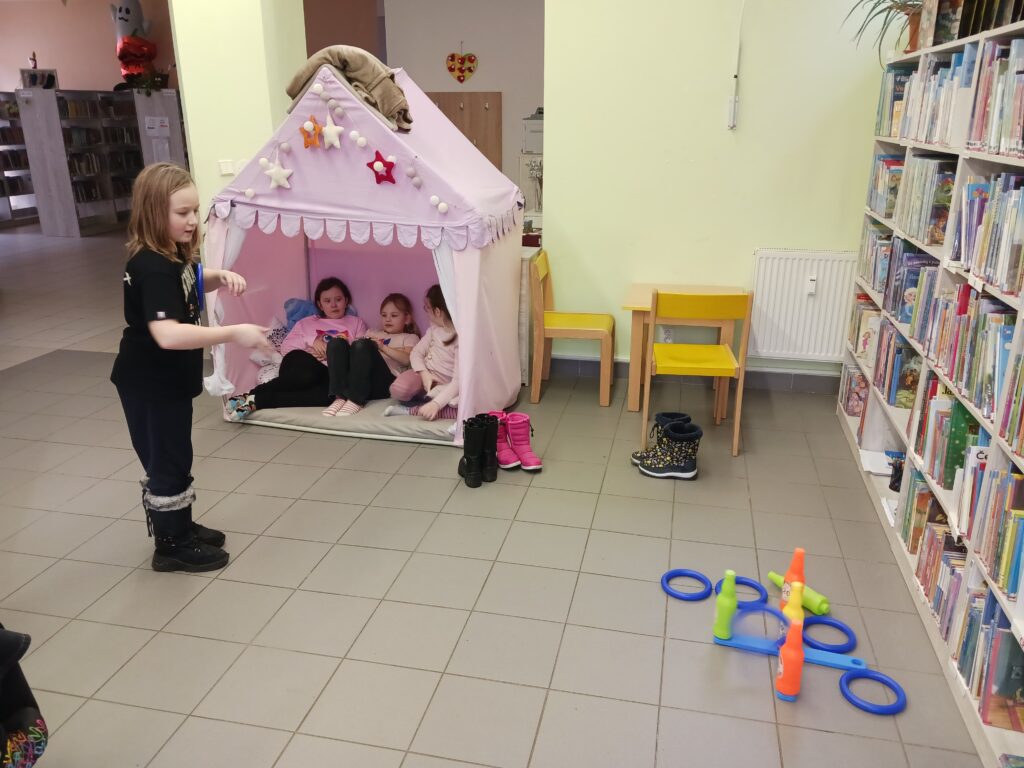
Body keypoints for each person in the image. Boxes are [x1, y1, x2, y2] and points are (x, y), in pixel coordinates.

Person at [110, 162, 272, 573]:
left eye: (194, 210)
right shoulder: (150, 266)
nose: (192, 220)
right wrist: (234, 333)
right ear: (153, 213)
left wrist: (218, 276)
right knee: (165, 461)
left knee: (177, 454)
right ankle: (170, 546)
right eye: (182, 212)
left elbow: (187, 279)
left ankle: (180, 525)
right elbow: (167, 334)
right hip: (150, 384)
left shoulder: (171, 255)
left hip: (169, 382)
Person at [229, 277, 367, 419]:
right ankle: (251, 394)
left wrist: (334, 353)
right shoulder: (306, 322)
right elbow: (286, 348)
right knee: (307, 373)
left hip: (330, 373)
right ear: (320, 305)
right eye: (327, 301)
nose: (333, 305)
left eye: (338, 299)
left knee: (328, 397)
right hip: (301, 365)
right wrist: (312, 341)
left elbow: (360, 354)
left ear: (346, 301)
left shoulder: (356, 323)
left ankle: (257, 401)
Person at [322, 293, 420, 416]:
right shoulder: (372, 332)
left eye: (394, 315)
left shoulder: (410, 337)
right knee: (336, 343)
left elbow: (407, 359)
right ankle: (339, 397)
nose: (388, 319)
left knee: (363, 344)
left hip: (385, 383)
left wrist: (381, 346)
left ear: (407, 319)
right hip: (361, 378)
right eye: (384, 315)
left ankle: (355, 399)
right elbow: (356, 352)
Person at [384, 284, 459, 421]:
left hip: (446, 386)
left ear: (437, 311)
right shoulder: (433, 330)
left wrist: (437, 404)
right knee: (398, 388)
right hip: (426, 376)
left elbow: (458, 381)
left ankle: (414, 410)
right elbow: (416, 353)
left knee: (460, 405)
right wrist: (424, 374)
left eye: (427, 308)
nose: (426, 312)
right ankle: (426, 401)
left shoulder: (460, 338)